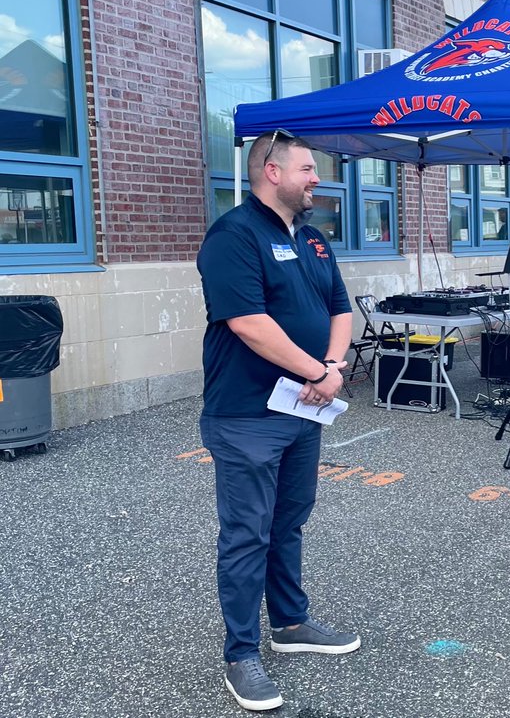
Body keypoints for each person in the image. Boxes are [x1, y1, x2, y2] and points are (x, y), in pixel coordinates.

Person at [196, 130, 360, 713]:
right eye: (308, 168)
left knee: (288, 521)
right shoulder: (233, 237)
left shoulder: (313, 240)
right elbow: (248, 323)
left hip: (304, 408)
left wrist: (333, 367)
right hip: (247, 415)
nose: (317, 178)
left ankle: (290, 624)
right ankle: (241, 655)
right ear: (271, 171)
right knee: (247, 534)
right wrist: (319, 372)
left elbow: (341, 307)